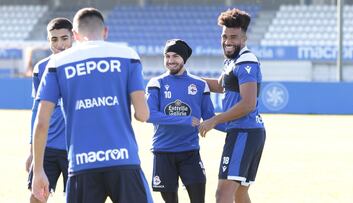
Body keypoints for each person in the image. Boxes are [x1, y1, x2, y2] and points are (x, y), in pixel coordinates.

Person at [31, 8, 153, 203]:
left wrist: (38, 171)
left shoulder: (57, 63)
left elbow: (41, 121)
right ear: (105, 32)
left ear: (76, 35)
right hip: (123, 159)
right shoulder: (128, 55)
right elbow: (143, 114)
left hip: (81, 164)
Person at [199, 8, 266, 203]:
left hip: (244, 133)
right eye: (224, 36)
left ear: (244, 39)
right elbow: (220, 86)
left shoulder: (246, 62)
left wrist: (214, 120)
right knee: (239, 193)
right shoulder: (232, 61)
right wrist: (187, 80)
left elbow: (248, 104)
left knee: (223, 194)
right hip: (248, 132)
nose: (227, 41)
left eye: (234, 37)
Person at [146, 39, 225, 203]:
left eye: (175, 56)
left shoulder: (200, 85)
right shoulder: (157, 83)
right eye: (167, 56)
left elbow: (210, 118)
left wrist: (235, 127)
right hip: (163, 153)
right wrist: (185, 120)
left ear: (184, 58)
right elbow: (149, 115)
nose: (170, 60)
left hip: (190, 152)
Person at [25, 17, 73, 203]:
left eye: (64, 38)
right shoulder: (41, 68)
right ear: (48, 41)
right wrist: (32, 151)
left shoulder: (84, 66)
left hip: (75, 147)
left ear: (73, 38)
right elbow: (36, 111)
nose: (60, 44)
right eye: (54, 39)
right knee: (37, 197)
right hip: (48, 147)